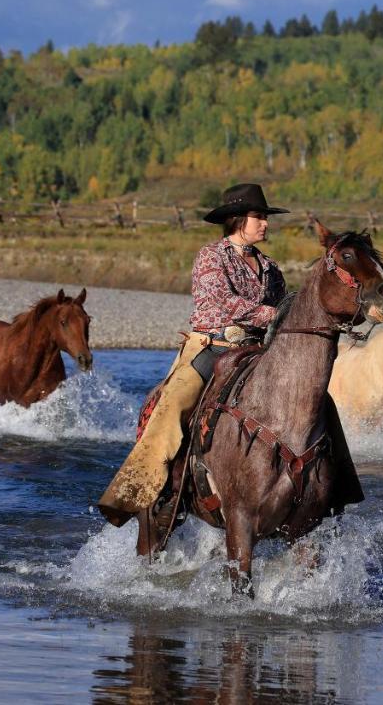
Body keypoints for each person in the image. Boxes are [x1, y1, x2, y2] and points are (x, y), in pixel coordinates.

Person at [97, 183, 289, 525]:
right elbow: (224, 303)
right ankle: (145, 492)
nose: (265, 224)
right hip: (211, 348)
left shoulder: (271, 269)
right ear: (236, 220)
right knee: (172, 404)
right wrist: (273, 315)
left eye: (264, 217)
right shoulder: (210, 257)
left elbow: (283, 306)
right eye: (258, 217)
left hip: (258, 351)